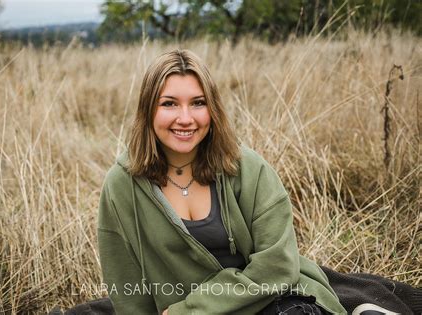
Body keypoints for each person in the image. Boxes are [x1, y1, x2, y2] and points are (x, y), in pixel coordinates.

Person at [97, 49, 346, 315]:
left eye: (198, 103)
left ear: (212, 109)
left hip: (271, 301)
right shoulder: (122, 185)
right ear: (148, 110)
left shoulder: (248, 169)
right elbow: (125, 283)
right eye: (169, 103)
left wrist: (190, 311)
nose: (185, 118)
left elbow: (277, 266)